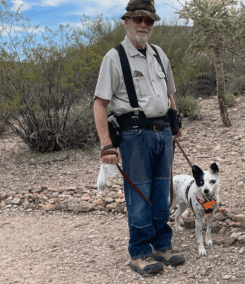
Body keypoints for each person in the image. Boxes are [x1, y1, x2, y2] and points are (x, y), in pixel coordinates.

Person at [93, 0, 185, 277]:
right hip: (134, 135)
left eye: (149, 20)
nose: (144, 25)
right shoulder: (114, 58)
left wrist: (175, 121)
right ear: (127, 21)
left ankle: (161, 245)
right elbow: (99, 103)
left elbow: (170, 92)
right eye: (139, 19)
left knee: (161, 192)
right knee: (139, 194)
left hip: (163, 133)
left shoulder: (159, 54)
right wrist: (106, 145)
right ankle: (139, 253)